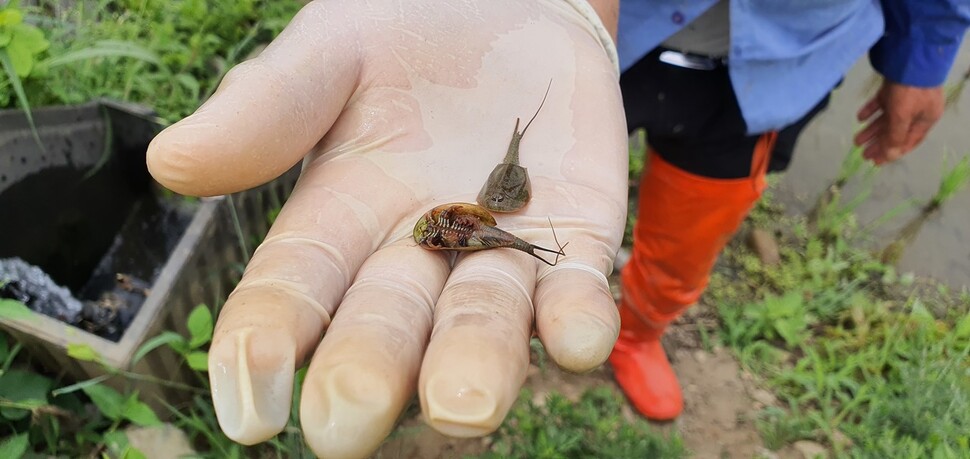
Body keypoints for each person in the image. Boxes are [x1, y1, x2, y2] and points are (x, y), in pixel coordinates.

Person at [144, 1, 967, 458]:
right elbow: (465, 222)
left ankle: (644, 327)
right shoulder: (466, 214)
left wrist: (926, 50)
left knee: (687, 239)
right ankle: (618, 318)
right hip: (607, 35)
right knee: (559, 229)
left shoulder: (485, 208)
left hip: (788, 61)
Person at [609, 0, 969, 421]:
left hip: (779, 65)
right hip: (599, 27)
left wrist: (921, 55)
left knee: (686, 248)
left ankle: (637, 335)